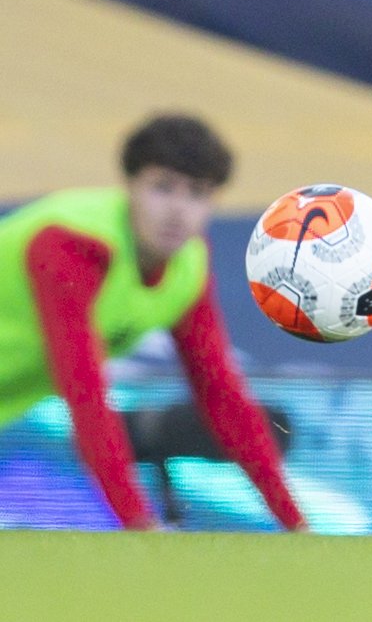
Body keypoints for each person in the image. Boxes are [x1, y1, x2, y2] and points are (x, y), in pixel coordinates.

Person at [0, 115, 304, 531]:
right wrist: (138, 522)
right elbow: (84, 392)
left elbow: (224, 397)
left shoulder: (187, 265)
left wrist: (296, 525)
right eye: (162, 187)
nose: (178, 211)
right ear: (130, 186)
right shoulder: (72, 244)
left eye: (197, 193)